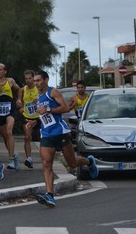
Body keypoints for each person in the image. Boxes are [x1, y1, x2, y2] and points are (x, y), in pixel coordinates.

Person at [34, 70, 99, 208]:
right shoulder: (38, 96)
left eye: (38, 80)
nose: (36, 83)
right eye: (34, 81)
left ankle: (89, 161)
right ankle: (50, 195)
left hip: (60, 132)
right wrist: (33, 122)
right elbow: (43, 115)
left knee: (72, 163)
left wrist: (49, 110)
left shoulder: (53, 92)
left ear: (46, 80)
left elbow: (64, 108)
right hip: (46, 134)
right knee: (46, 164)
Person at [0, 63, 21, 170]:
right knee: (5, 137)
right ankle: (14, 156)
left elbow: (19, 89)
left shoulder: (10, 81)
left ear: (5, 71)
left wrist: (19, 99)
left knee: (9, 132)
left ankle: (11, 159)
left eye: (0, 69)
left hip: (10, 110)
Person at [15, 70, 39, 168]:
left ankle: (47, 157)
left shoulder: (38, 88)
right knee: (27, 137)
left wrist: (38, 101)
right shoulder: (22, 90)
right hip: (27, 117)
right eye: (26, 79)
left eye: (30, 78)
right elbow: (20, 102)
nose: (28, 80)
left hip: (38, 117)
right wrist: (20, 106)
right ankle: (29, 158)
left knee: (42, 138)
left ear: (34, 78)